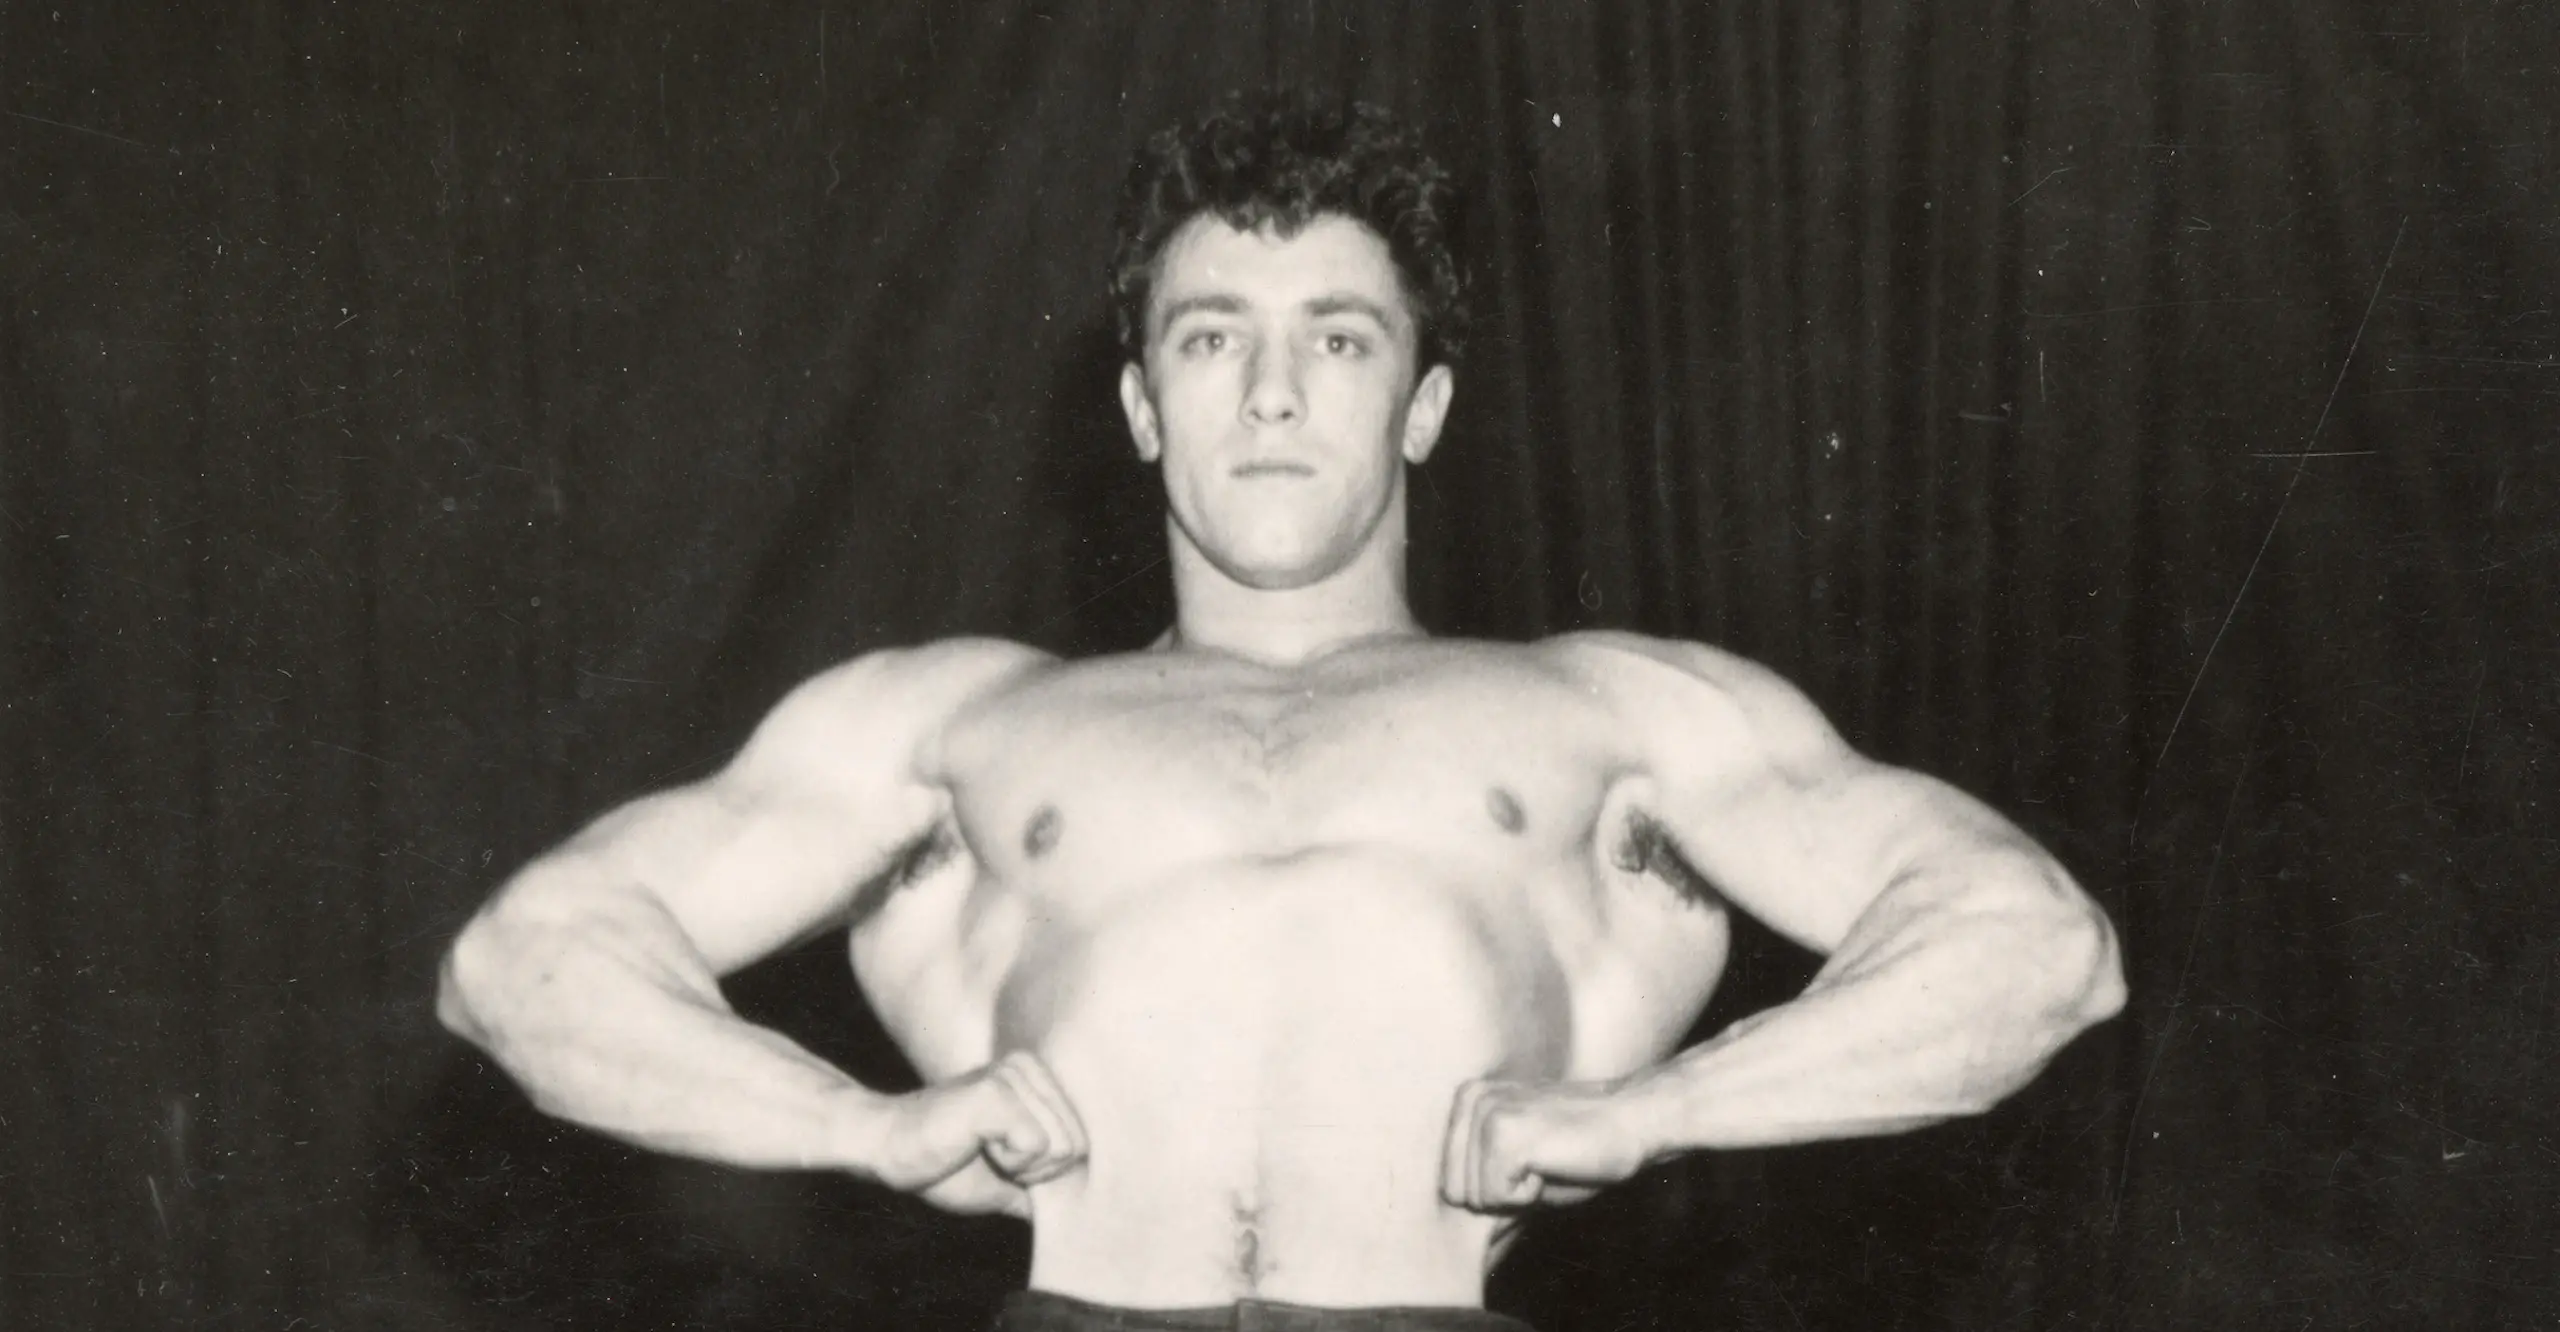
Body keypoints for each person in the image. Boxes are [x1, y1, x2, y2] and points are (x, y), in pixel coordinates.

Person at [436, 92, 2126, 1332]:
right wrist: (852, 1130)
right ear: (1140, 405)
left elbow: (2034, 945)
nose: (1268, 391)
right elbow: (524, 961)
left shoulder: (1616, 713)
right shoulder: (954, 724)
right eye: (1208, 338)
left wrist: (1661, 1112)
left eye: (1338, 338)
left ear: (1427, 402)